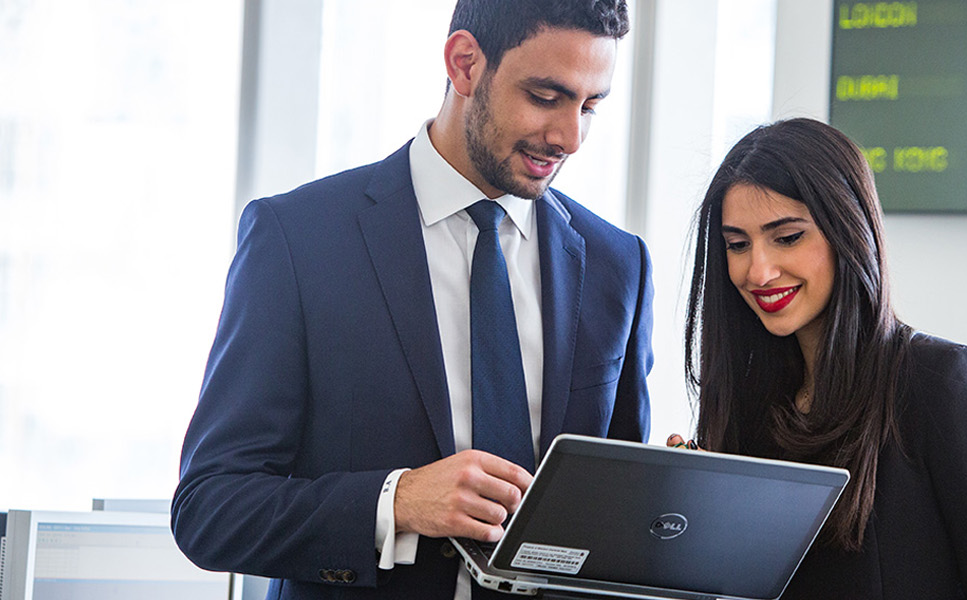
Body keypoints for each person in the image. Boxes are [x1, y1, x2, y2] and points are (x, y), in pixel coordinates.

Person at [171, 2, 652, 599]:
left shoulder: (618, 265)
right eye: (546, 96)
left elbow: (620, 525)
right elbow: (211, 508)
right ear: (464, 64)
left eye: (590, 106)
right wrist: (394, 502)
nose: (570, 138)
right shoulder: (300, 239)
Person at [676, 118, 967, 599]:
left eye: (787, 237)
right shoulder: (751, 405)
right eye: (737, 245)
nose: (758, 271)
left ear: (848, 228)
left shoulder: (941, 384)